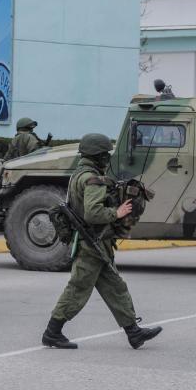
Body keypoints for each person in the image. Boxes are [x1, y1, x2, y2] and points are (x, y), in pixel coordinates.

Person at [42, 133, 163, 350]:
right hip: (92, 244)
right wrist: (116, 213)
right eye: (105, 154)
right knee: (78, 289)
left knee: (115, 287)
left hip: (96, 242)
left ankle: (133, 333)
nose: (107, 158)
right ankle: (52, 332)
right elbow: (93, 213)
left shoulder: (79, 174)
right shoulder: (92, 179)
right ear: (97, 156)